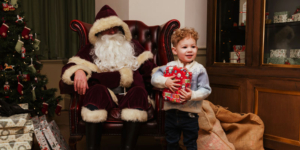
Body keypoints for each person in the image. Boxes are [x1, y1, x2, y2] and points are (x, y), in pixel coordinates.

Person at [61, 5, 156, 150]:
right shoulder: (91, 50)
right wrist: (78, 71)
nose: (112, 32)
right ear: (98, 31)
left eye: (115, 28)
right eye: (108, 28)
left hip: (130, 93)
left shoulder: (133, 46)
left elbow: (151, 71)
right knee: (96, 90)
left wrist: (164, 79)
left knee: (139, 93)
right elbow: (70, 67)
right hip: (105, 95)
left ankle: (128, 147)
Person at [151, 28, 211, 150]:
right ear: (175, 50)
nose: (189, 50)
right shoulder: (169, 67)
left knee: (190, 143)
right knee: (171, 142)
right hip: (171, 113)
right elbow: (154, 78)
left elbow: (206, 89)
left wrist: (192, 95)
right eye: (184, 47)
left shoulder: (199, 69)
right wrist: (165, 81)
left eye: (193, 46)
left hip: (190, 115)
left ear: (197, 49)